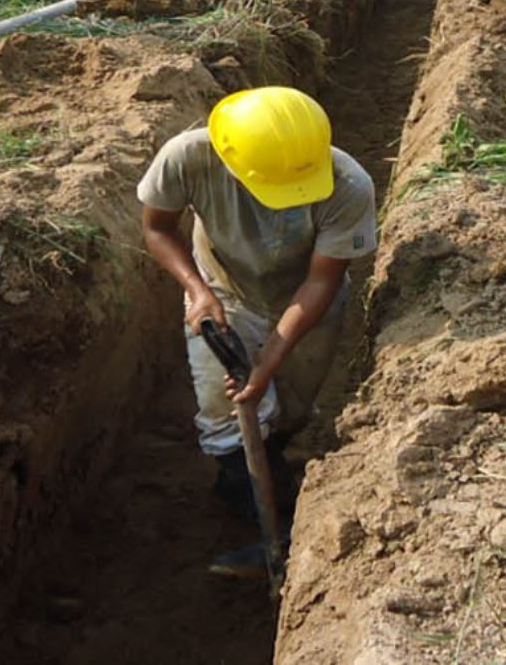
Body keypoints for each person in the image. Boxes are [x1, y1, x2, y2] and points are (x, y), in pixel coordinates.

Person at [137, 86, 377, 578]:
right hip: (223, 293)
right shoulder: (187, 158)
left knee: (288, 407)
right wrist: (199, 292)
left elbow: (321, 279)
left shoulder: (348, 183)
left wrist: (270, 357)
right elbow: (158, 228)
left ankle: (270, 466)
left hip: (308, 302)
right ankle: (276, 522)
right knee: (225, 413)